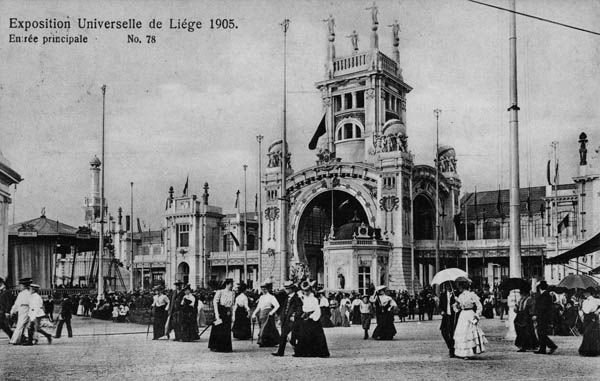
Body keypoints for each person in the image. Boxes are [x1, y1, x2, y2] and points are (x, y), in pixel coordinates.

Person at [294, 280, 330, 357]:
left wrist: (311, 317)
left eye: (307, 291)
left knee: (316, 335)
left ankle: (318, 352)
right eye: (304, 291)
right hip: (305, 317)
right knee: (303, 335)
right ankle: (304, 352)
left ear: (310, 290)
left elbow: (317, 310)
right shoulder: (304, 298)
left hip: (312, 318)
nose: (306, 292)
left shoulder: (314, 299)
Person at [452, 279, 486, 359]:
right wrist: (456, 303)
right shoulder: (460, 296)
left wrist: (477, 315)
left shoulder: (472, 295)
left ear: (462, 286)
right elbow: (459, 308)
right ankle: (463, 353)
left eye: (459, 286)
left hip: (469, 314)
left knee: (469, 333)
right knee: (462, 332)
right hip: (463, 315)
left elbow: (479, 306)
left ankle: (469, 352)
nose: (459, 288)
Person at [273, 280, 303, 357]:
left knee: (293, 337)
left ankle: (298, 351)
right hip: (285, 319)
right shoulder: (287, 298)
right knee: (283, 336)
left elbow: (299, 309)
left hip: (292, 320)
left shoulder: (297, 298)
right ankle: (280, 352)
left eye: (287, 289)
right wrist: (280, 318)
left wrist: (295, 316)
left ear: (291, 289)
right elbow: (283, 309)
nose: (285, 290)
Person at [208, 278, 235, 352]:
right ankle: (216, 346)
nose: (232, 285)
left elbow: (232, 305)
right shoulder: (220, 292)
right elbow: (215, 302)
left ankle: (226, 347)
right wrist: (217, 315)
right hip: (220, 311)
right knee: (218, 328)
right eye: (231, 284)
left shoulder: (232, 293)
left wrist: (233, 315)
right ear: (227, 284)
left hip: (228, 312)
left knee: (226, 329)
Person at [252, 282, 281, 347]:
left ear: (268, 289)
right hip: (261, 314)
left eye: (265, 289)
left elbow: (277, 305)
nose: (263, 290)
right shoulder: (261, 297)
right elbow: (258, 307)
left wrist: (272, 312)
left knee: (265, 328)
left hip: (268, 313)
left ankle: (262, 341)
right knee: (265, 328)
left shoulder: (271, 297)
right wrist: (254, 314)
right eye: (262, 289)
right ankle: (268, 342)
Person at [533, 281, 558, 355]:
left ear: (540, 287)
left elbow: (542, 308)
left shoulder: (544, 295)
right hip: (544, 316)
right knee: (541, 332)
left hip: (543, 317)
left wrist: (536, 315)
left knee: (541, 332)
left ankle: (549, 346)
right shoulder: (547, 295)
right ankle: (543, 348)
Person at [514, 287, 538, 352]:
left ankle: (525, 346)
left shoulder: (529, 299)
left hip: (526, 317)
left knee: (527, 332)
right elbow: (518, 308)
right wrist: (516, 308)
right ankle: (523, 345)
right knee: (520, 331)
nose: (521, 295)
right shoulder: (521, 300)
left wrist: (533, 314)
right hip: (520, 317)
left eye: (522, 293)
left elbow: (532, 308)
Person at [578, 287, 600, 356]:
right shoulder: (596, 300)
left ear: (588, 293)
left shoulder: (587, 301)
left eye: (585, 293)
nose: (584, 294)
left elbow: (586, 311)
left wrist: (581, 306)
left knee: (588, 333)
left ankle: (588, 350)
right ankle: (594, 349)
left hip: (589, 317)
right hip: (593, 317)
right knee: (593, 333)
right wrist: (598, 311)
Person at [10, 277, 32, 345]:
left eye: (21, 286)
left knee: (21, 324)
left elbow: (17, 304)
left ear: (24, 286)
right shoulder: (22, 293)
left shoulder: (27, 293)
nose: (19, 287)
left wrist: (13, 310)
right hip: (22, 310)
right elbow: (17, 304)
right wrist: (13, 310)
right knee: (22, 325)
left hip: (26, 309)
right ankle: (22, 338)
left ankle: (16, 340)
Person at [439, 283, 457, 357]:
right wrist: (441, 311)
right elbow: (440, 305)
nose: (448, 287)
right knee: (444, 331)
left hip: (453, 316)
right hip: (446, 316)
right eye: (447, 286)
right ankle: (450, 346)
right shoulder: (443, 295)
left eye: (450, 286)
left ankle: (452, 350)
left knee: (452, 332)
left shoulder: (456, 294)